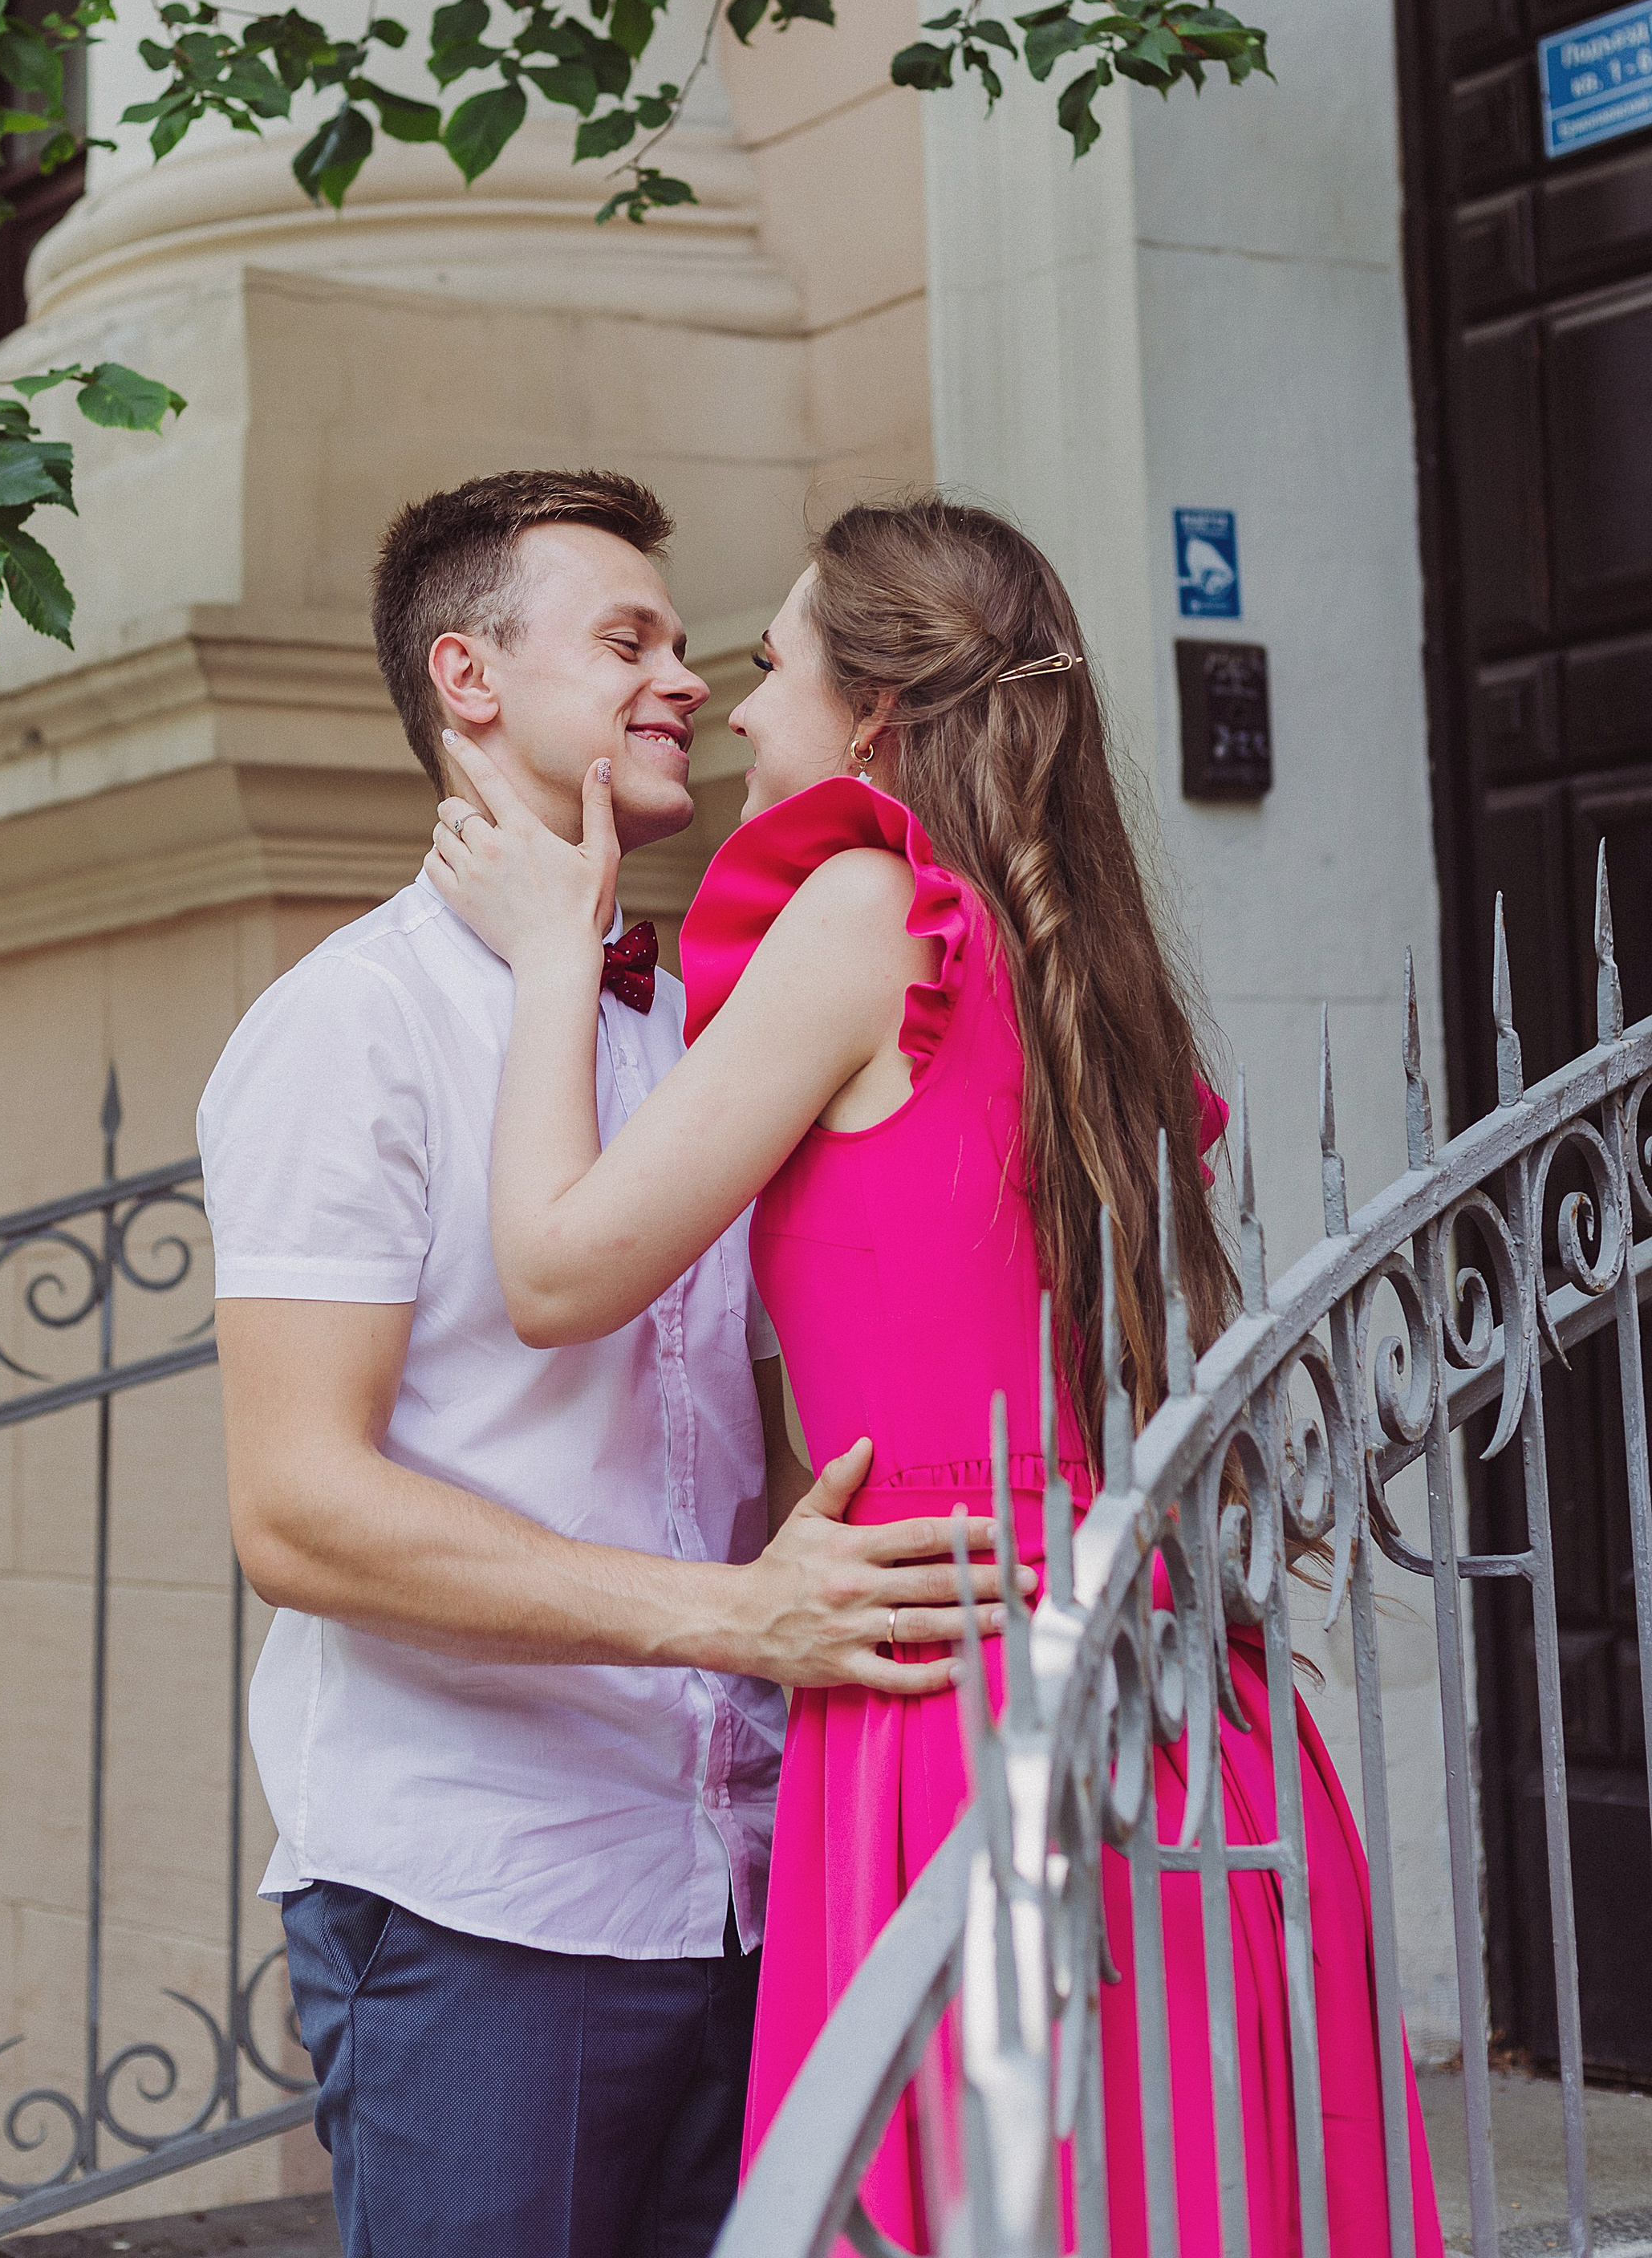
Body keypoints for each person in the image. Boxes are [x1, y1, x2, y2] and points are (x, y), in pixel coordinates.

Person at [426, 493, 1446, 2258]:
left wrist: (541, 960)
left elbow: (549, 1270)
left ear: (875, 717)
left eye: (769, 668)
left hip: (950, 1680)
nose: (737, 712)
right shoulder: (1072, 955)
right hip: (1172, 1682)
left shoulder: (859, 904)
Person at [200, 469, 1007, 2258]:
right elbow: (298, 1513)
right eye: (626, 638)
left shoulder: (714, 1020)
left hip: (750, 1890)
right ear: (467, 680)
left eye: (688, 641)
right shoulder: (353, 1027)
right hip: (488, 1901)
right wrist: (732, 1620)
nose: (682, 682)